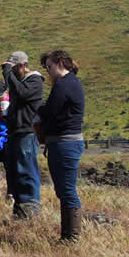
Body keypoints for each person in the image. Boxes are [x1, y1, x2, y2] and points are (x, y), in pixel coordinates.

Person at [38, 50, 85, 241]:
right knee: (64, 189)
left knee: (66, 190)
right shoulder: (69, 84)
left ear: (59, 63)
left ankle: (71, 236)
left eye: (49, 67)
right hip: (63, 141)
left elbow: (50, 112)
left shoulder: (64, 85)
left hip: (65, 142)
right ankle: (68, 235)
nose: (48, 71)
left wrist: (37, 107)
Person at [1, 51, 44, 218]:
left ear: (21, 65)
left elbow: (21, 93)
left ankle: (31, 210)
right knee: (14, 172)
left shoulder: (35, 81)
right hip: (14, 132)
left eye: (13, 68)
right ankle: (20, 210)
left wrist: (8, 74)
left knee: (26, 170)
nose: (10, 73)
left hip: (26, 132)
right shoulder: (20, 82)